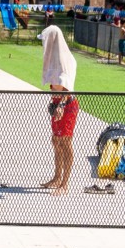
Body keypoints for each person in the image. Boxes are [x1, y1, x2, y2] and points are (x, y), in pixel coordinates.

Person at [39, 26, 78, 196]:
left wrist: (61, 105)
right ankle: (56, 177)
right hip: (57, 103)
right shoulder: (54, 58)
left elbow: (67, 87)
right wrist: (54, 104)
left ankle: (65, 184)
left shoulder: (66, 60)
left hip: (67, 105)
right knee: (56, 140)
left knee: (66, 142)